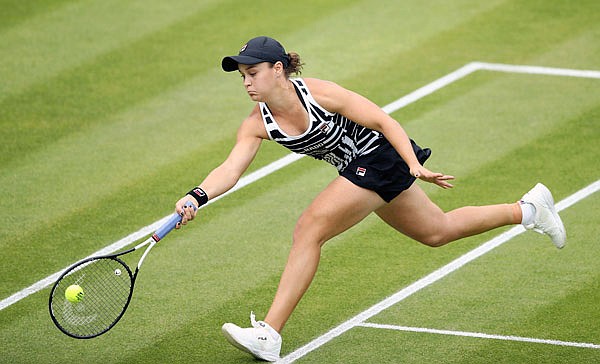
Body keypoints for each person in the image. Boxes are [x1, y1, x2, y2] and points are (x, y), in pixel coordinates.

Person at [174, 36, 566, 362]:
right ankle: (530, 209)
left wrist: (413, 164)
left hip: (380, 156)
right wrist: (196, 196)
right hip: (362, 169)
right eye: (243, 76)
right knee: (437, 231)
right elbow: (230, 170)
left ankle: (270, 334)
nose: (247, 83)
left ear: (278, 69)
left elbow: (383, 120)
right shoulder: (257, 123)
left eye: (253, 73)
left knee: (308, 230)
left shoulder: (320, 94)